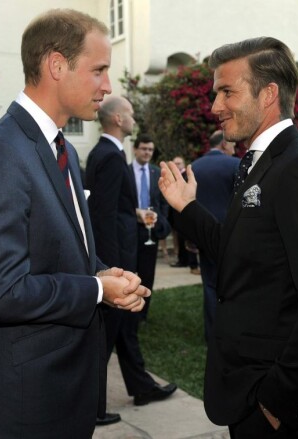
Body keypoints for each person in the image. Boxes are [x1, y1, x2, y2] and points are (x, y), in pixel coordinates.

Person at [0, 10, 150, 438]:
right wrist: (97, 290)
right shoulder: (0, 152)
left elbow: (53, 247)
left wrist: (100, 272)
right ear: (57, 66)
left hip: (65, 388)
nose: (107, 86)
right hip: (29, 402)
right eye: (99, 70)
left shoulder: (59, 146)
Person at [158, 36, 298, 438]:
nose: (214, 107)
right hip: (245, 392)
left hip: (278, 409)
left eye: (227, 92)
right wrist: (187, 209)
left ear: (268, 94)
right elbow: (240, 254)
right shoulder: (257, 164)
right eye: (216, 93)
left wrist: (276, 402)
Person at [86, 99, 175, 424]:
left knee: (125, 331)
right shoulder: (110, 156)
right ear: (118, 118)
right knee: (106, 338)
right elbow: (105, 217)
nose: (135, 119)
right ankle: (92, 409)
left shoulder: (106, 152)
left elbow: (111, 210)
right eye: (133, 114)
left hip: (118, 253)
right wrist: (113, 268)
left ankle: (142, 386)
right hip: (116, 258)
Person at [190, 130, 239, 341]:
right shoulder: (236, 164)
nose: (235, 149)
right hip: (231, 234)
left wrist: (191, 236)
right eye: (234, 145)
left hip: (202, 233)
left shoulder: (194, 167)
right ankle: (230, 331)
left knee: (210, 284)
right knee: (233, 284)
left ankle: (212, 333)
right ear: (225, 144)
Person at [129, 134, 172, 317]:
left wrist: (160, 219)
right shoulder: (126, 171)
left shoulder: (156, 173)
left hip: (151, 231)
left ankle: (143, 314)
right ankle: (128, 308)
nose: (147, 152)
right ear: (136, 149)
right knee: (130, 271)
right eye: (144, 148)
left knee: (147, 273)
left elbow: (163, 202)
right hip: (130, 229)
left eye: (150, 149)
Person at [169, 155, 199, 273]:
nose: (177, 165)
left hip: (185, 212)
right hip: (175, 213)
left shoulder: (187, 176)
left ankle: (188, 262)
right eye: (175, 163)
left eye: (179, 163)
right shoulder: (173, 177)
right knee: (180, 239)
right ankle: (183, 259)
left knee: (186, 239)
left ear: (183, 164)